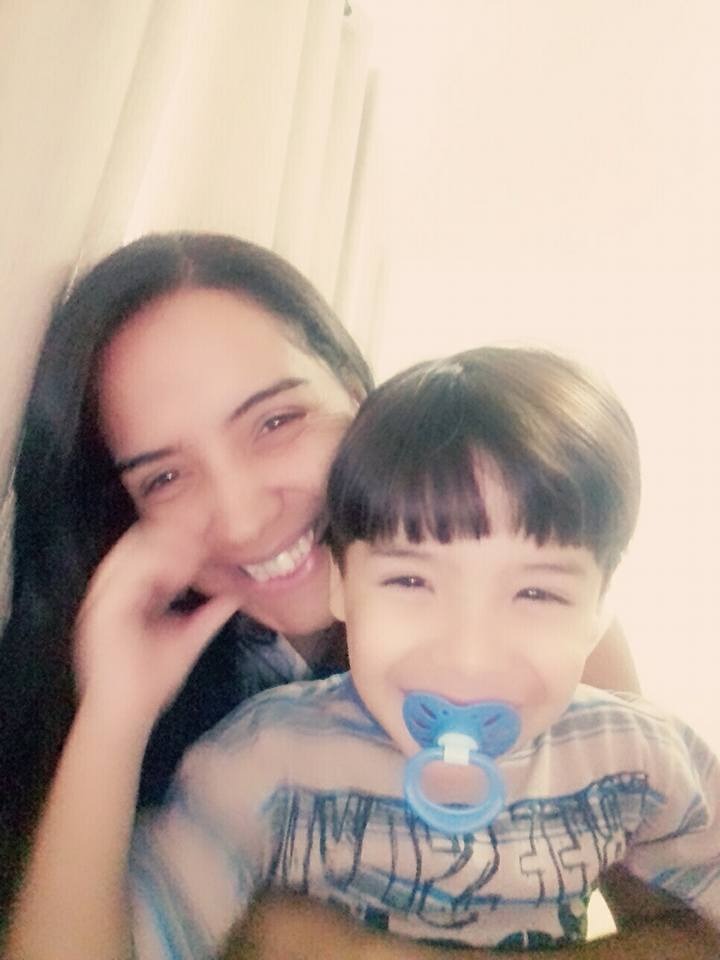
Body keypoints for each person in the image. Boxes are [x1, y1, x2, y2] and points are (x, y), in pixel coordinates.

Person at [7, 346, 719, 958]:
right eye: (411, 581)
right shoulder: (265, 759)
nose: (469, 655)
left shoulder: (640, 759)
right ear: (340, 582)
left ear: (599, 612)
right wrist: (112, 712)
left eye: (536, 593)